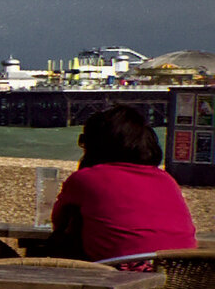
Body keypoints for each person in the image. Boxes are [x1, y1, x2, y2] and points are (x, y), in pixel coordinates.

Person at [41, 105, 196, 262]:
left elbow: (60, 223)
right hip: (179, 274)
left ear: (96, 145)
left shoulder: (85, 179)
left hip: (117, 273)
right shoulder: (166, 179)